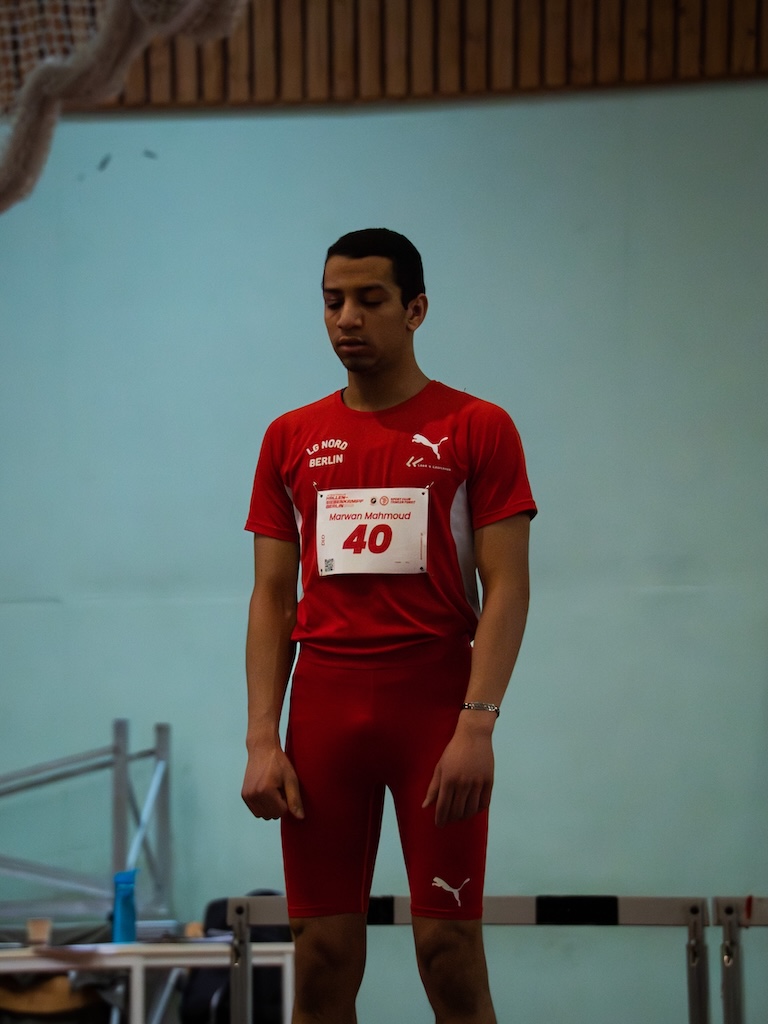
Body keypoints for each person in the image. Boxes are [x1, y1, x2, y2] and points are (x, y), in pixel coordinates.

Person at [241, 228, 536, 1024]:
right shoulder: (289, 437)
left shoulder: (478, 426)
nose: (347, 318)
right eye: (332, 301)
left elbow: (508, 586)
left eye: (370, 300)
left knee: (448, 955)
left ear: (416, 310)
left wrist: (477, 723)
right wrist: (262, 737)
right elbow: (272, 597)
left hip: (434, 708)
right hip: (324, 710)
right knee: (321, 959)